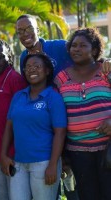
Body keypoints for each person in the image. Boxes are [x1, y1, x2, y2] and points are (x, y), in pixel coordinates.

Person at [54, 27, 111, 200]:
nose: (76, 49)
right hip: (78, 153)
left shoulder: (106, 71)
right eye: (73, 45)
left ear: (94, 50)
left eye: (82, 46)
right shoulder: (61, 78)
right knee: (88, 195)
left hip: (108, 149)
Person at [0, 53, 67, 200]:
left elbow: (60, 133)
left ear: (47, 70)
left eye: (37, 66)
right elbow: (9, 127)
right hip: (19, 163)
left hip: (44, 163)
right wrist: (3, 155)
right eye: (28, 67)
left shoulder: (53, 97)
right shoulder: (18, 96)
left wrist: (53, 165)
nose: (32, 70)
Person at [0, 39, 27, 199]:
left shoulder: (15, 79)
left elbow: (21, 119)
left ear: (9, 57)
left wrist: (9, 155)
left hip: (13, 156)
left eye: (0, 57)